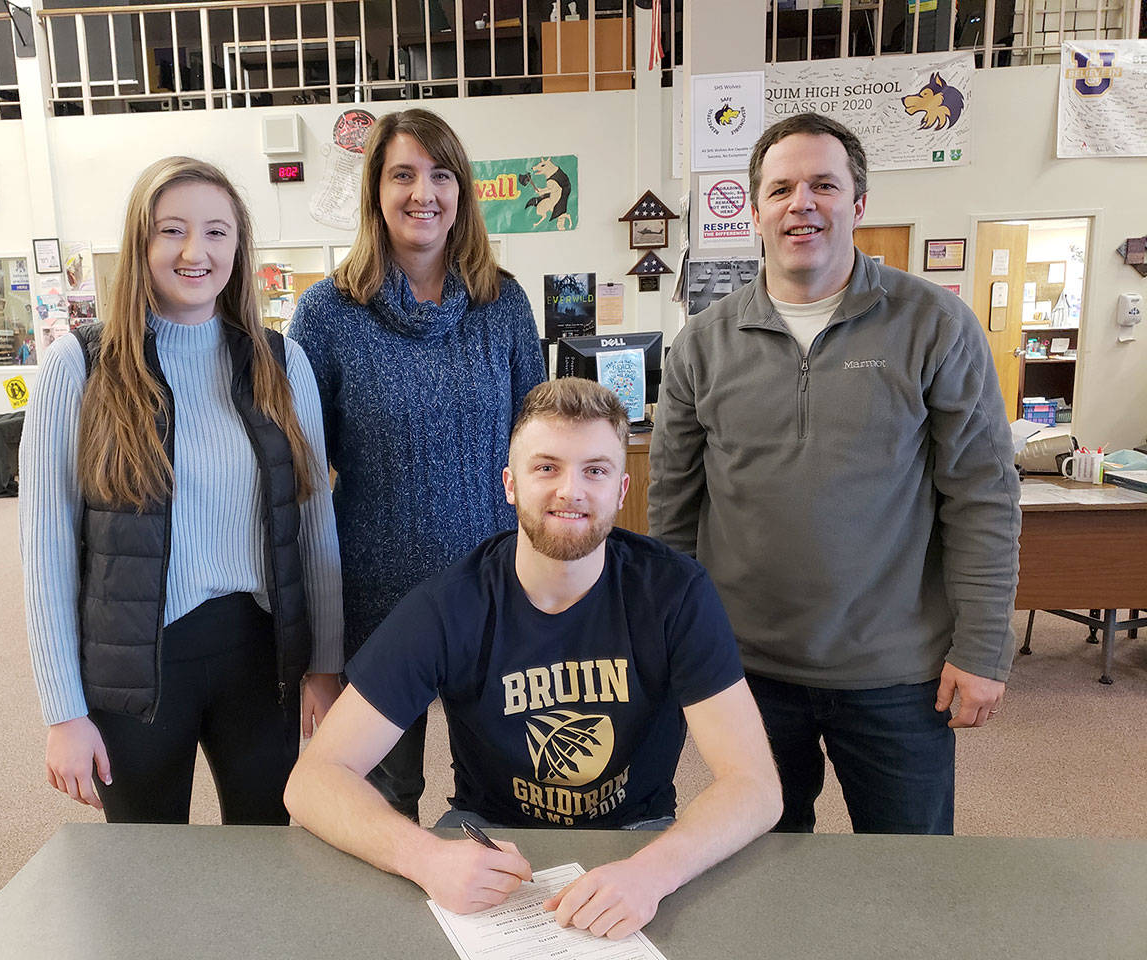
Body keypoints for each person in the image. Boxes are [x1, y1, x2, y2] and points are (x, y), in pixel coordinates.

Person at [286, 378, 781, 940]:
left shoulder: (676, 593)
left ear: (622, 489)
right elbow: (314, 780)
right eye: (546, 467)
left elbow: (755, 786)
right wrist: (423, 857)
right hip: (487, 837)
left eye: (594, 470)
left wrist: (654, 870)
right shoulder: (448, 605)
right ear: (510, 485)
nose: (571, 490)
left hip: (640, 836)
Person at [648, 112, 1021, 836]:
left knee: (908, 881)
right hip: (745, 672)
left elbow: (983, 498)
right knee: (762, 876)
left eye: (824, 184)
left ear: (858, 204)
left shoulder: (935, 325)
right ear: (754, 209)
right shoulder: (702, 343)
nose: (802, 204)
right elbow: (673, 511)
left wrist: (982, 647)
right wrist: (672, 643)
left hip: (897, 676)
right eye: (781, 188)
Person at [20, 156, 343, 824]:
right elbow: (45, 548)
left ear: (238, 247)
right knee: (148, 874)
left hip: (259, 657)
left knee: (268, 856)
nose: (196, 251)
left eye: (217, 232)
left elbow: (313, 523)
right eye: (172, 230)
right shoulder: (77, 366)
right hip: (136, 662)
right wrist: (63, 712)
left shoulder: (282, 362)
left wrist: (325, 664)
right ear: (141, 244)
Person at [289, 109, 545, 821]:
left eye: (440, 175)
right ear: (375, 190)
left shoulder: (503, 303)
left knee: (506, 790)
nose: (421, 193)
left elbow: (540, 453)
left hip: (494, 592)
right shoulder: (327, 314)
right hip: (376, 599)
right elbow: (304, 480)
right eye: (401, 174)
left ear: (462, 191)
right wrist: (320, 651)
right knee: (383, 795)